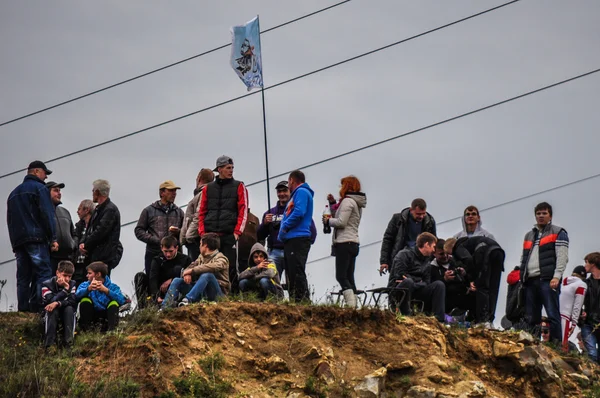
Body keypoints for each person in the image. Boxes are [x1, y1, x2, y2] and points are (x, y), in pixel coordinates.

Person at [7, 160, 57, 312]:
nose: (45, 177)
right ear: (36, 171)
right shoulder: (40, 189)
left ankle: (23, 310)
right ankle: (43, 306)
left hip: (19, 241)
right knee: (43, 272)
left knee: (23, 277)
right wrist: (53, 237)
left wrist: (14, 243)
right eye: (44, 173)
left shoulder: (13, 194)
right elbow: (47, 214)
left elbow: (9, 220)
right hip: (36, 238)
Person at [198, 155, 248, 294]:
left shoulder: (239, 186)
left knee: (231, 267)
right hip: (210, 234)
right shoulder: (208, 189)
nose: (231, 170)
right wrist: (202, 232)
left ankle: (233, 296)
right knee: (208, 266)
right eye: (228, 168)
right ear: (219, 169)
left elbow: (243, 211)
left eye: (232, 168)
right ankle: (211, 296)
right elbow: (201, 211)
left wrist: (237, 233)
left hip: (229, 234)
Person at [520, 202, 568, 343]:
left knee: (552, 314)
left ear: (550, 216)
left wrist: (556, 276)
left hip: (548, 279)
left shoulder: (558, 232)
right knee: (531, 316)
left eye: (544, 213)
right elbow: (524, 257)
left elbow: (562, 256)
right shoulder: (529, 235)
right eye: (538, 213)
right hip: (530, 280)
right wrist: (522, 275)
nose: (541, 216)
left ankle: (556, 346)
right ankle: (532, 343)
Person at [257, 181, 317, 280]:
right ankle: (275, 296)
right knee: (271, 280)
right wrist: (264, 224)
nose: (282, 194)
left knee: (294, 279)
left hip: (292, 249)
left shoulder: (297, 210)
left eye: (285, 190)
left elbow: (312, 230)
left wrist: (304, 246)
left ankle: (296, 296)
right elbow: (259, 235)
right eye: (279, 191)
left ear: (290, 191)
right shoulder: (270, 213)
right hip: (274, 252)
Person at [322, 176, 366, 308]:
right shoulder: (356, 203)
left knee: (341, 276)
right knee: (349, 276)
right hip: (353, 242)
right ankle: (355, 306)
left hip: (344, 242)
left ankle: (351, 306)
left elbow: (341, 222)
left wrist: (327, 221)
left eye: (342, 185)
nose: (340, 188)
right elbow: (342, 216)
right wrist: (332, 204)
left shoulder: (347, 201)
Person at [388, 232, 446, 322]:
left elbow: (427, 282)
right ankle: (405, 315)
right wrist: (418, 282)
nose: (434, 250)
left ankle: (439, 319)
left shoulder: (427, 262)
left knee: (439, 285)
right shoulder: (404, 254)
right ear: (426, 244)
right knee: (408, 282)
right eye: (433, 247)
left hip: (416, 290)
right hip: (398, 290)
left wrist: (415, 283)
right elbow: (400, 276)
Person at [162, 233, 230, 308]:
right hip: (202, 292)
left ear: (205, 246)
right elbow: (190, 267)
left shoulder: (221, 258)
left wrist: (192, 271)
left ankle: (187, 300)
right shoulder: (201, 257)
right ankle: (165, 307)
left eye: (200, 244)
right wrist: (187, 273)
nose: (199, 246)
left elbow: (213, 266)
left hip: (218, 294)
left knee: (207, 275)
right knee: (177, 280)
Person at [450, 236, 505, 326]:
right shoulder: (471, 242)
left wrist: (472, 280)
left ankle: (482, 320)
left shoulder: (458, 247)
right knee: (493, 288)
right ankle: (489, 319)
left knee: (481, 287)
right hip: (498, 251)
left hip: (484, 252)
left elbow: (468, 259)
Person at [278, 170, 314, 303]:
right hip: (291, 238)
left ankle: (302, 300)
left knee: (297, 271)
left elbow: (299, 212)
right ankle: (295, 300)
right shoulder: (297, 194)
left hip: (298, 237)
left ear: (292, 180)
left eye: (288, 182)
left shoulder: (302, 192)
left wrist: (285, 226)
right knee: (291, 272)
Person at [135, 180, 184, 275]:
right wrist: (155, 240)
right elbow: (138, 231)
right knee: (152, 284)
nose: (174, 193)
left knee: (174, 284)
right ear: (162, 193)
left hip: (175, 256)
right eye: (171, 191)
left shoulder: (179, 212)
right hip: (154, 254)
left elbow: (185, 232)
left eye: (175, 191)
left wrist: (178, 232)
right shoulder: (148, 211)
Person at [379, 198, 436, 275]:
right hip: (400, 258)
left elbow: (433, 242)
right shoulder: (397, 219)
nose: (421, 216)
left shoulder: (429, 221)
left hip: (420, 261)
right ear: (411, 210)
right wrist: (384, 261)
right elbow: (388, 240)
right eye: (418, 214)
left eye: (423, 213)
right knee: (400, 283)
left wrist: (430, 260)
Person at [134, 236, 192, 308]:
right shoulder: (157, 259)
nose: (168, 254)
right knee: (140, 276)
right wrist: (156, 296)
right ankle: (143, 308)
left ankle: (177, 302)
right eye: (165, 251)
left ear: (176, 248)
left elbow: (189, 278)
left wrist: (172, 280)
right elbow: (153, 278)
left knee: (178, 270)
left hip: (176, 290)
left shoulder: (185, 259)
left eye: (171, 251)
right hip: (158, 290)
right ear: (161, 248)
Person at [79, 180, 123, 274]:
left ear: (97, 192)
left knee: (99, 284)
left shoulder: (110, 210)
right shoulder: (98, 209)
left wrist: (86, 245)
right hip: (94, 256)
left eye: (93, 190)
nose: (92, 192)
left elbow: (100, 231)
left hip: (102, 258)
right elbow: (89, 229)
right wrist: (83, 243)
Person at [76, 261, 127, 331]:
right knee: (85, 300)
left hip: (106, 317)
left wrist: (107, 291)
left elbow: (122, 300)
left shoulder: (113, 287)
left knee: (114, 303)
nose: (87, 275)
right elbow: (76, 296)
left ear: (98, 274)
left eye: (89, 273)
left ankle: (111, 331)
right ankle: (85, 330)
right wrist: (88, 289)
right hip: (91, 316)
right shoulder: (85, 285)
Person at [41, 260, 77, 349]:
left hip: (66, 311)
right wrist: (64, 291)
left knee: (69, 309)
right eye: (65, 275)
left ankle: (69, 344)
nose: (67, 279)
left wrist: (58, 303)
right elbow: (50, 301)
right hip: (50, 313)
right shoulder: (46, 284)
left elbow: (72, 301)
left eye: (70, 276)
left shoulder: (72, 284)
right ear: (58, 273)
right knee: (52, 309)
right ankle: (49, 345)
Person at [180, 169, 214, 260]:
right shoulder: (203, 193)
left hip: (196, 239)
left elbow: (198, 216)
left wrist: (188, 235)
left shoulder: (203, 193)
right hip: (196, 237)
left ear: (199, 178)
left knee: (195, 268)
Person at [430, 239, 470, 315]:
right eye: (441, 254)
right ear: (434, 254)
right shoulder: (431, 268)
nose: (445, 256)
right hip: (446, 301)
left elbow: (468, 279)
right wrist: (444, 279)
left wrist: (464, 274)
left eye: (447, 253)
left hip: (462, 297)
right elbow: (431, 286)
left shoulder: (457, 261)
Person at [46, 181, 76, 274]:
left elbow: (74, 233)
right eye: (55, 190)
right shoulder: (42, 212)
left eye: (59, 191)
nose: (59, 193)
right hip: (50, 259)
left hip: (67, 259)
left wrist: (73, 244)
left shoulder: (65, 212)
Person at [560, 265, 587, 352]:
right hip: (565, 316)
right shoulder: (582, 285)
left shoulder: (565, 282)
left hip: (556, 314)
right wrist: (574, 323)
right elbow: (577, 306)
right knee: (563, 346)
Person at [581, 252, 600, 363]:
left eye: (586, 262)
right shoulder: (585, 283)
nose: (585, 265)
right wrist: (581, 313)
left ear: (593, 264)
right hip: (588, 323)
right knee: (592, 354)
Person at [73, 199, 95, 285]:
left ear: (86, 210)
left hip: (91, 266)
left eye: (79, 209)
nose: (77, 212)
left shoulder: (97, 227)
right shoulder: (78, 227)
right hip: (77, 266)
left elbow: (117, 246)